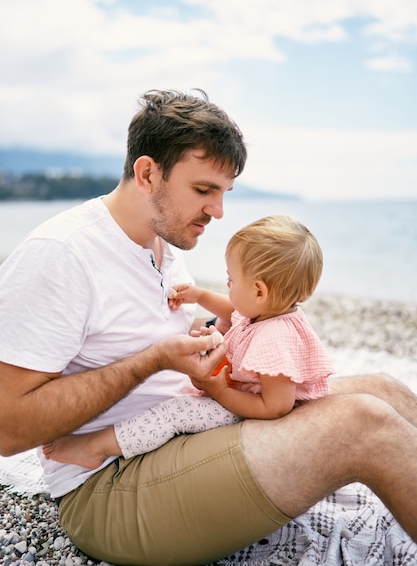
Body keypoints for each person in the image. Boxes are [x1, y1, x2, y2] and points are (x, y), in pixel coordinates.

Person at [1, 89, 417, 566]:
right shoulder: (62, 254)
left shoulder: (164, 245)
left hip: (184, 435)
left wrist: (211, 338)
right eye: (203, 191)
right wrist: (154, 360)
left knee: (385, 391)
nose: (217, 212)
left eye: (224, 193)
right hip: (109, 488)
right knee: (366, 425)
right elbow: (8, 429)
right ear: (147, 173)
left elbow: (161, 332)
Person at [42, 214, 335, 469]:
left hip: (258, 420)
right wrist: (200, 296)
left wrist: (219, 392)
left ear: (259, 291)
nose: (228, 285)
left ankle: (94, 448)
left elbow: (276, 407)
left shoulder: (276, 339)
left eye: (231, 280)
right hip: (243, 399)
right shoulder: (266, 312)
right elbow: (234, 312)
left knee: (175, 413)